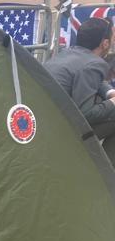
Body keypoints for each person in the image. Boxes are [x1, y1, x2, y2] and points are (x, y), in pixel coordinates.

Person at [45, 17, 115, 158]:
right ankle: (106, 174)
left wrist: (110, 92)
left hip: (44, 121)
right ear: (105, 43)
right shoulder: (94, 64)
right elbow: (86, 115)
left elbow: (93, 79)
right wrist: (113, 102)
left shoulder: (69, 53)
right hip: (61, 132)